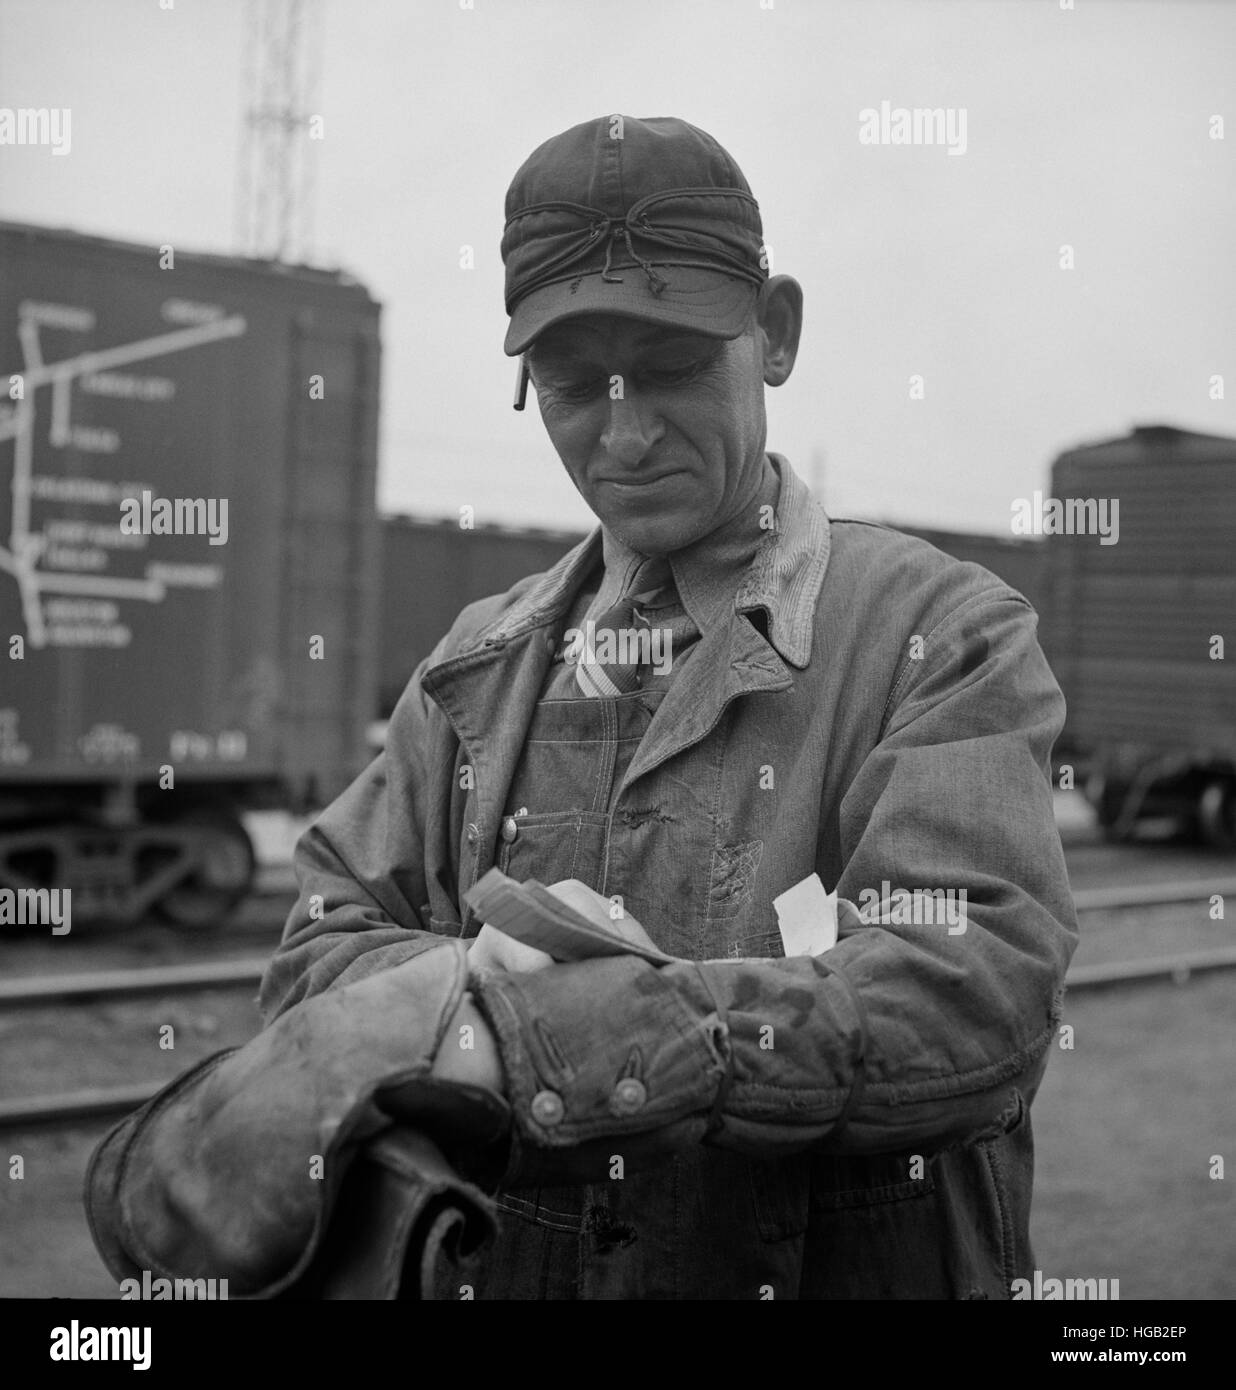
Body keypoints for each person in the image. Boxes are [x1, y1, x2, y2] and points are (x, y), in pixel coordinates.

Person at [257, 114, 1078, 1300]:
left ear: (776, 333)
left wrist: (563, 1032)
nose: (626, 434)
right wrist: (467, 993)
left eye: (677, 365)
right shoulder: (476, 667)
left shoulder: (937, 634)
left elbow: (973, 995)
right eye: (573, 383)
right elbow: (316, 950)